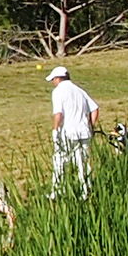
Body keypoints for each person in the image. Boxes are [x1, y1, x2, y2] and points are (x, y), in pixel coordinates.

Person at [48, 65, 99, 198]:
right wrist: (91, 127)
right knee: (83, 162)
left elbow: (58, 114)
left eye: (53, 79)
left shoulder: (58, 91)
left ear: (58, 78)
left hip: (68, 132)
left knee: (59, 160)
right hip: (84, 132)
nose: (53, 82)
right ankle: (86, 190)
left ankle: (58, 191)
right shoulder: (80, 91)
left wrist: (55, 130)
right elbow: (94, 109)